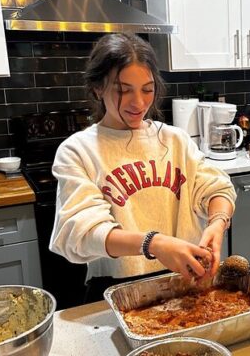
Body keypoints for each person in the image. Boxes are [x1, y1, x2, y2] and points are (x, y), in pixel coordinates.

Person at [49, 33, 236, 303]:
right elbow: (83, 232)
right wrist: (154, 244)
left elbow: (217, 187)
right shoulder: (78, 151)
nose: (138, 102)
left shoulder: (176, 140)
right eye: (124, 90)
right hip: (116, 289)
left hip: (188, 282)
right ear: (98, 88)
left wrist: (217, 224)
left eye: (147, 89)